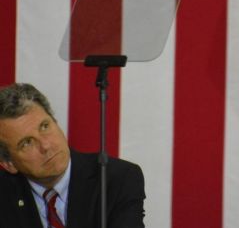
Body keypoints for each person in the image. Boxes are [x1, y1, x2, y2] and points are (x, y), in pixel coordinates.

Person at [0, 83, 145, 228]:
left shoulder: (116, 179)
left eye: (45, 126)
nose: (46, 146)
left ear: (56, 123)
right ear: (9, 163)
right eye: (27, 142)